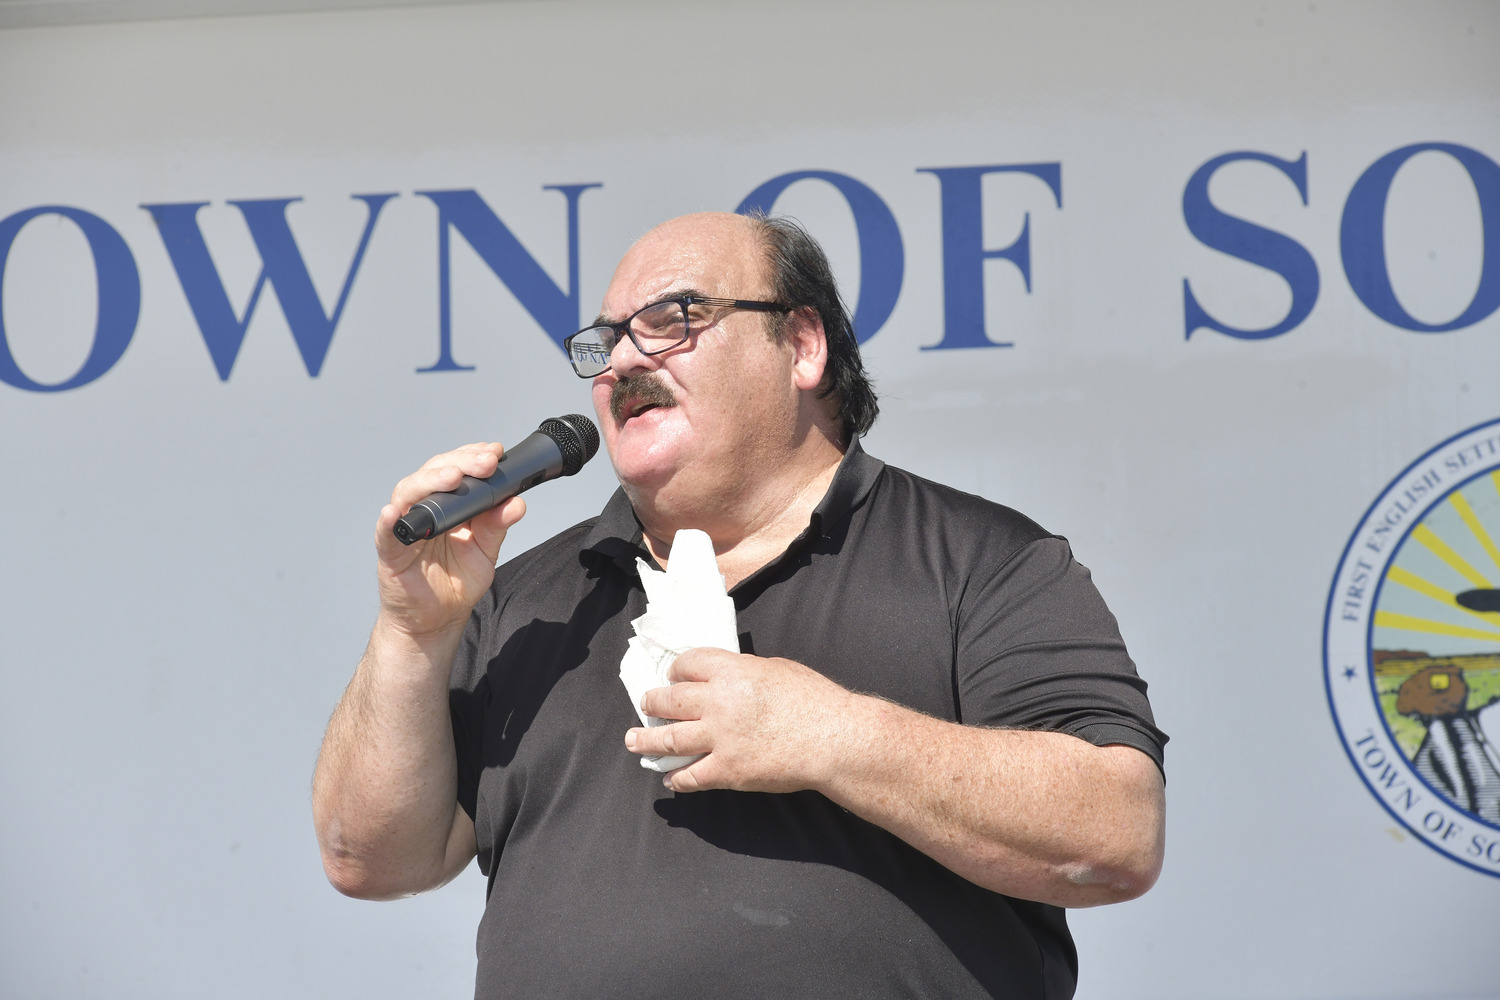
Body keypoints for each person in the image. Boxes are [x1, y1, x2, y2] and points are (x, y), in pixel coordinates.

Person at [312, 211, 1167, 999]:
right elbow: (369, 857)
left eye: (675, 319)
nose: (624, 362)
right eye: (606, 340)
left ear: (801, 346)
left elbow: (1115, 832)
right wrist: (412, 631)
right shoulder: (523, 602)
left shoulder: (978, 561)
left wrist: (835, 736)